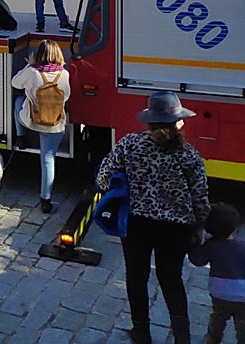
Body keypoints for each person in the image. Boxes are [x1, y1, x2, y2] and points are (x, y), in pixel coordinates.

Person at [97, 91, 210, 344]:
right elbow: (200, 196)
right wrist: (199, 226)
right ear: (178, 122)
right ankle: (182, 336)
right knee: (171, 279)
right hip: (176, 229)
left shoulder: (129, 144)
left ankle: (142, 332)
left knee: (136, 277)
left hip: (137, 224)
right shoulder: (189, 154)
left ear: (149, 120)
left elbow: (103, 178)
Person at [11, 40, 71, 213]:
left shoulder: (32, 72)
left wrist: (28, 66)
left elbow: (14, 83)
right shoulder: (64, 74)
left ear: (39, 55)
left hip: (32, 121)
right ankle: (46, 199)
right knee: (47, 159)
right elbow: (66, 96)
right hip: (54, 124)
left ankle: (21, 137)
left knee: (18, 102)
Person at [189, 202, 245, 344]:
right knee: (243, 324)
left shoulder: (210, 246)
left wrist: (194, 243)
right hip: (243, 295)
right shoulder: (242, 247)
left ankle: (212, 339)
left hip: (220, 292)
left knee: (218, 317)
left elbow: (198, 261)